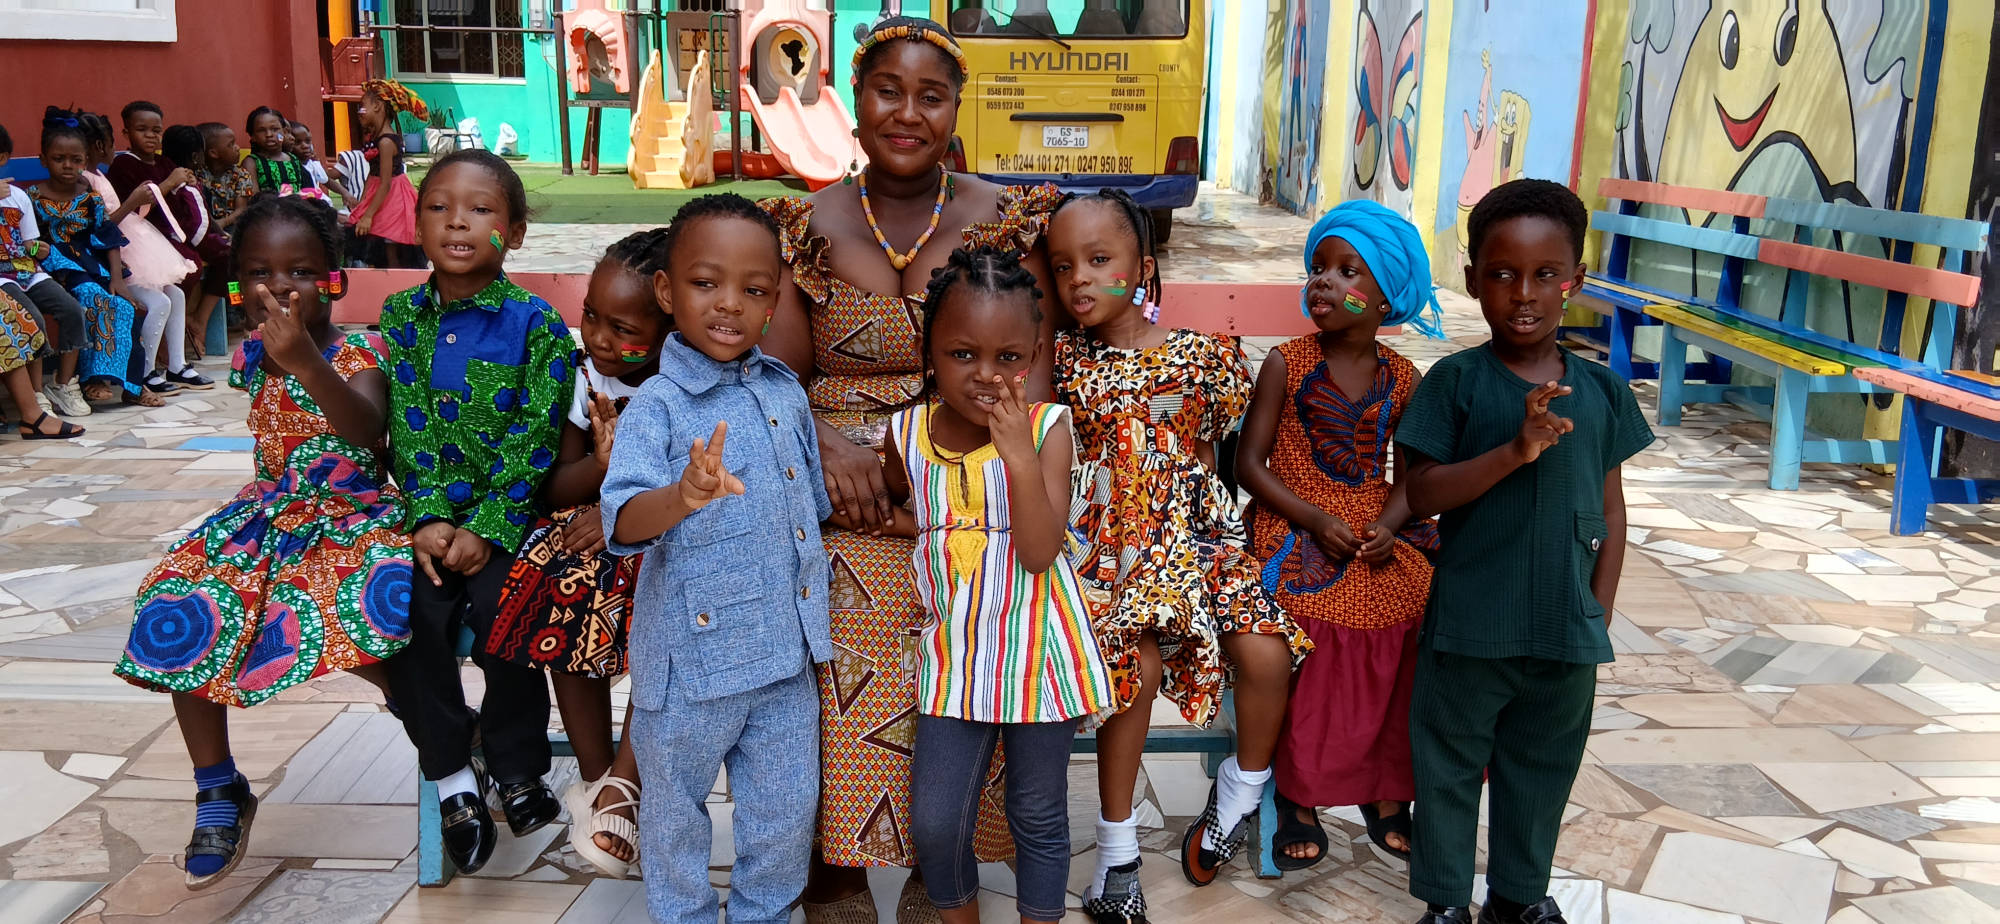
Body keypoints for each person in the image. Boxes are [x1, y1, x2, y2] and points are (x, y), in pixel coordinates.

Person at [758, 18, 1063, 920]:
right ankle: (837, 864)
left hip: (968, 467)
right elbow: (776, 378)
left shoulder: (1006, 220)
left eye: (931, 96)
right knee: (831, 593)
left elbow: (1028, 383)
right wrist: (826, 447)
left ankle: (944, 860)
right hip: (832, 472)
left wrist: (933, 466)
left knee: (969, 593)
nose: (907, 113)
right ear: (855, 100)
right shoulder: (805, 225)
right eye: (888, 90)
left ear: (956, 109)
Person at [112, 194, 413, 887]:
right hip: (271, 513)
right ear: (237, 284)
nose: (279, 287)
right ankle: (218, 785)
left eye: (301, 271)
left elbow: (366, 429)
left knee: (340, 605)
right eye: (259, 273)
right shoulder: (253, 355)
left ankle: (439, 721)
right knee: (180, 599)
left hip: (352, 516)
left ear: (335, 278)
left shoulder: (361, 351)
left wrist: (307, 362)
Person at [1043, 189, 1307, 916]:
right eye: (1063, 267)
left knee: (1266, 653)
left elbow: (1216, 459)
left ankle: (1238, 797)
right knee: (1136, 665)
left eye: (1100, 260)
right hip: (1103, 549)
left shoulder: (1205, 357)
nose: (1080, 279)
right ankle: (1117, 855)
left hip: (1193, 542)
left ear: (1144, 269)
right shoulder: (1061, 358)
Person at [1397, 179, 1653, 924]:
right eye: (1503, 274)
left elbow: (1612, 508)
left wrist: (1599, 609)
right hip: (1470, 628)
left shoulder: (1601, 392)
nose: (1524, 294)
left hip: (1565, 631)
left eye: (1546, 274)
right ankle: (1446, 902)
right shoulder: (1455, 383)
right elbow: (1422, 492)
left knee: (1542, 769)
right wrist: (1516, 450)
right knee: (1447, 767)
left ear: (1576, 280)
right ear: (1473, 278)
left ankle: (1517, 896)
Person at [600, 193, 831, 924]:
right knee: (674, 824)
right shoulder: (658, 406)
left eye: (754, 290)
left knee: (784, 820)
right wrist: (684, 495)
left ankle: (767, 915)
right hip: (690, 672)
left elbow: (808, 513)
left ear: (774, 302)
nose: (730, 303)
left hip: (785, 663)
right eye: (706, 283)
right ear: (667, 291)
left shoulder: (784, 392)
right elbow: (623, 521)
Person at [892, 245, 1112, 924]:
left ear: (1035, 353)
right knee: (935, 822)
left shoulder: (1046, 430)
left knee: (1036, 812)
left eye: (1008, 357)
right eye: (963, 354)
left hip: (1039, 653)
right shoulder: (906, 433)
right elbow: (920, 509)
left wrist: (1015, 453)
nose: (987, 375)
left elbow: (1041, 552)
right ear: (930, 350)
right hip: (955, 656)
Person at [379, 149, 574, 875]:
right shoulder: (401, 317)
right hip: (429, 523)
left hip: (506, 522)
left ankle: (517, 766)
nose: (457, 221)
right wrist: (428, 517)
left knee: (509, 616)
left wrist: (489, 526)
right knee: (406, 617)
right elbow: (406, 424)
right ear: (417, 224)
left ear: (513, 233)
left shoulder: (538, 325)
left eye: (480, 209)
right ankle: (453, 775)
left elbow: (536, 435)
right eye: (438, 207)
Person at [1235, 200, 1445, 871]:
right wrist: (1312, 518)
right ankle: (1299, 793)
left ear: (1386, 301)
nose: (1324, 280)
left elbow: (1411, 478)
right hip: (1294, 518)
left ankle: (1386, 787)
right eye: (1319, 267)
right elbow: (1249, 465)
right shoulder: (1288, 363)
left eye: (1348, 271)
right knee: (1314, 618)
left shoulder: (1403, 378)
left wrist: (1389, 526)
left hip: (1372, 523)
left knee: (1417, 608)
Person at [484, 228, 671, 879]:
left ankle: (629, 780)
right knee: (564, 587)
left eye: (624, 328)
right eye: (591, 315)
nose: (599, 337)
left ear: (669, 327)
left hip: (667, 530)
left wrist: (619, 507)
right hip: (589, 530)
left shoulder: (685, 380)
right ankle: (598, 783)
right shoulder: (582, 375)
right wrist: (600, 466)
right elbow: (557, 485)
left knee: (666, 602)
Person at [31, 112, 153, 407]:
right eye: (59, 159)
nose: (67, 165)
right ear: (44, 159)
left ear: (85, 161)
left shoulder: (91, 198)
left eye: (75, 160)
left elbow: (108, 237)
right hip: (54, 266)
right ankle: (90, 380)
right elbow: (29, 240)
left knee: (126, 307)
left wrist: (117, 279)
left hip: (90, 264)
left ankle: (133, 385)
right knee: (93, 299)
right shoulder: (33, 197)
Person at [94, 110, 210, 393]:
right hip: (122, 248)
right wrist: (166, 184)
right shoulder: (118, 167)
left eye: (156, 130)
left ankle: (177, 366)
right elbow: (125, 212)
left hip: (142, 240)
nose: (151, 136)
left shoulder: (156, 163)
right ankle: (145, 372)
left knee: (176, 295)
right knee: (159, 302)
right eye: (142, 129)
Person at [0, 120, 92, 419]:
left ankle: (63, 384)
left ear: (3, 158)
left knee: (71, 310)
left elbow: (29, 242)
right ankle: (36, 392)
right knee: (32, 319)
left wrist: (38, 249)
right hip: (1, 278)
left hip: (26, 270)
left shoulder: (18, 197)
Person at [188, 122, 255, 360]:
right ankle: (220, 313)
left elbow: (241, 210)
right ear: (213, 152)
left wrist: (220, 224)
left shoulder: (240, 174)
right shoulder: (197, 175)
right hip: (203, 230)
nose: (237, 148)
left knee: (241, 260)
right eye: (231, 144)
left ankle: (242, 311)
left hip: (232, 228)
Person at [349, 80, 426, 269]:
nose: (359, 112)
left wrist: (368, 215)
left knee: (391, 245)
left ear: (377, 106)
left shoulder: (385, 143)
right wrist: (363, 202)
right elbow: (372, 174)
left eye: (362, 107)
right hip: (380, 193)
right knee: (381, 246)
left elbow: (385, 183)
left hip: (392, 197)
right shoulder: (378, 139)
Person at [243, 107, 315, 195]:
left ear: (284, 132)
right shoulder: (252, 162)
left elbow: (308, 191)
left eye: (275, 129)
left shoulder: (293, 159)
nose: (269, 134)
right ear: (253, 136)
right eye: (261, 130)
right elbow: (253, 196)